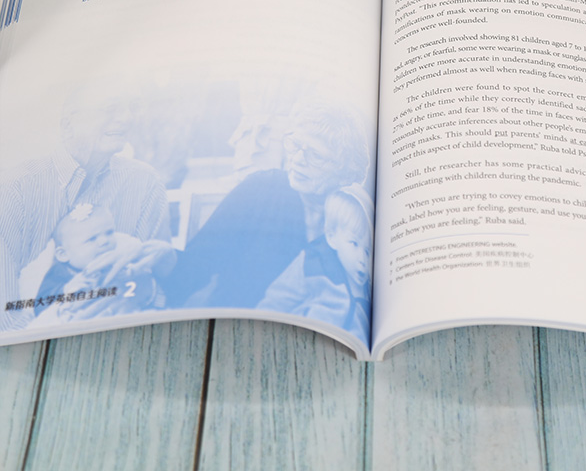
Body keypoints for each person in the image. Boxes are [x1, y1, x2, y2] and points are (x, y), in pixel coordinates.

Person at [164, 101, 370, 309]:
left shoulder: (352, 217)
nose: (298, 159)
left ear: (344, 171)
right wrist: (164, 267)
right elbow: (197, 263)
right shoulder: (261, 189)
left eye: (316, 155)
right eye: (295, 145)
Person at [0, 87, 174, 331]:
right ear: (68, 124)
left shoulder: (145, 182)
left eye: (132, 107)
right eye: (111, 108)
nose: (127, 118)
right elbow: (6, 319)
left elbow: (163, 277)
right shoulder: (14, 189)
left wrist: (150, 286)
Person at [257, 184, 373, 343]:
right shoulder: (314, 262)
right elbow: (276, 301)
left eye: (368, 251)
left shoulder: (367, 289)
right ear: (331, 238)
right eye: (354, 243)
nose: (362, 259)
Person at [33, 202, 166, 321]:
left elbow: (144, 280)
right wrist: (66, 289)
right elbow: (40, 307)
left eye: (109, 233)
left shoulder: (119, 257)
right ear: (63, 255)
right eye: (91, 239)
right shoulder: (59, 272)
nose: (104, 241)